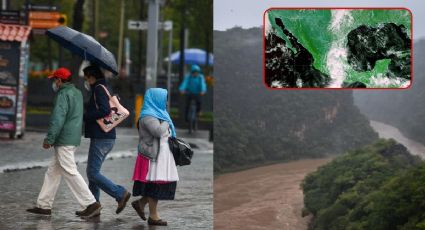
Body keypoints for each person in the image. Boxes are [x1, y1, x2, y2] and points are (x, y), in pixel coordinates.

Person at [26, 67, 101, 218]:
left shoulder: (62, 94)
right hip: (72, 138)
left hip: (64, 139)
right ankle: (44, 205)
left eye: (55, 80)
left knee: (69, 170)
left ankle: (91, 203)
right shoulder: (77, 93)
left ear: (59, 80)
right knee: (53, 172)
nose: (54, 83)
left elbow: (58, 119)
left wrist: (49, 139)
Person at [80, 65, 131, 216]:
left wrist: (86, 116)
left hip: (101, 136)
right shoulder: (105, 86)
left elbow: (105, 110)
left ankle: (119, 193)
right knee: (93, 172)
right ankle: (93, 205)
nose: (86, 81)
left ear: (92, 76)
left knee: (92, 173)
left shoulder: (98, 88)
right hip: (104, 136)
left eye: (87, 78)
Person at [131, 88, 179, 226]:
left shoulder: (160, 114)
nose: (166, 102)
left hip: (162, 156)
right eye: (164, 99)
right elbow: (158, 132)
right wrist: (166, 122)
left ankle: (140, 204)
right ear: (155, 99)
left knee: (158, 185)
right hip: (152, 157)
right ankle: (153, 216)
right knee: (155, 185)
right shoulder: (148, 116)